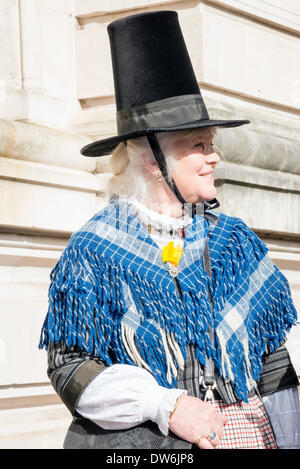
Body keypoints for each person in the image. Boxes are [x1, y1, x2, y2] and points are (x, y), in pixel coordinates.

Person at [39, 11, 300, 449]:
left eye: (211, 144)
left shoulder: (235, 243)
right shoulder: (95, 249)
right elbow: (69, 367)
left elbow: (274, 366)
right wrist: (166, 405)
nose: (213, 157)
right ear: (151, 159)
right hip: (159, 446)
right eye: (198, 145)